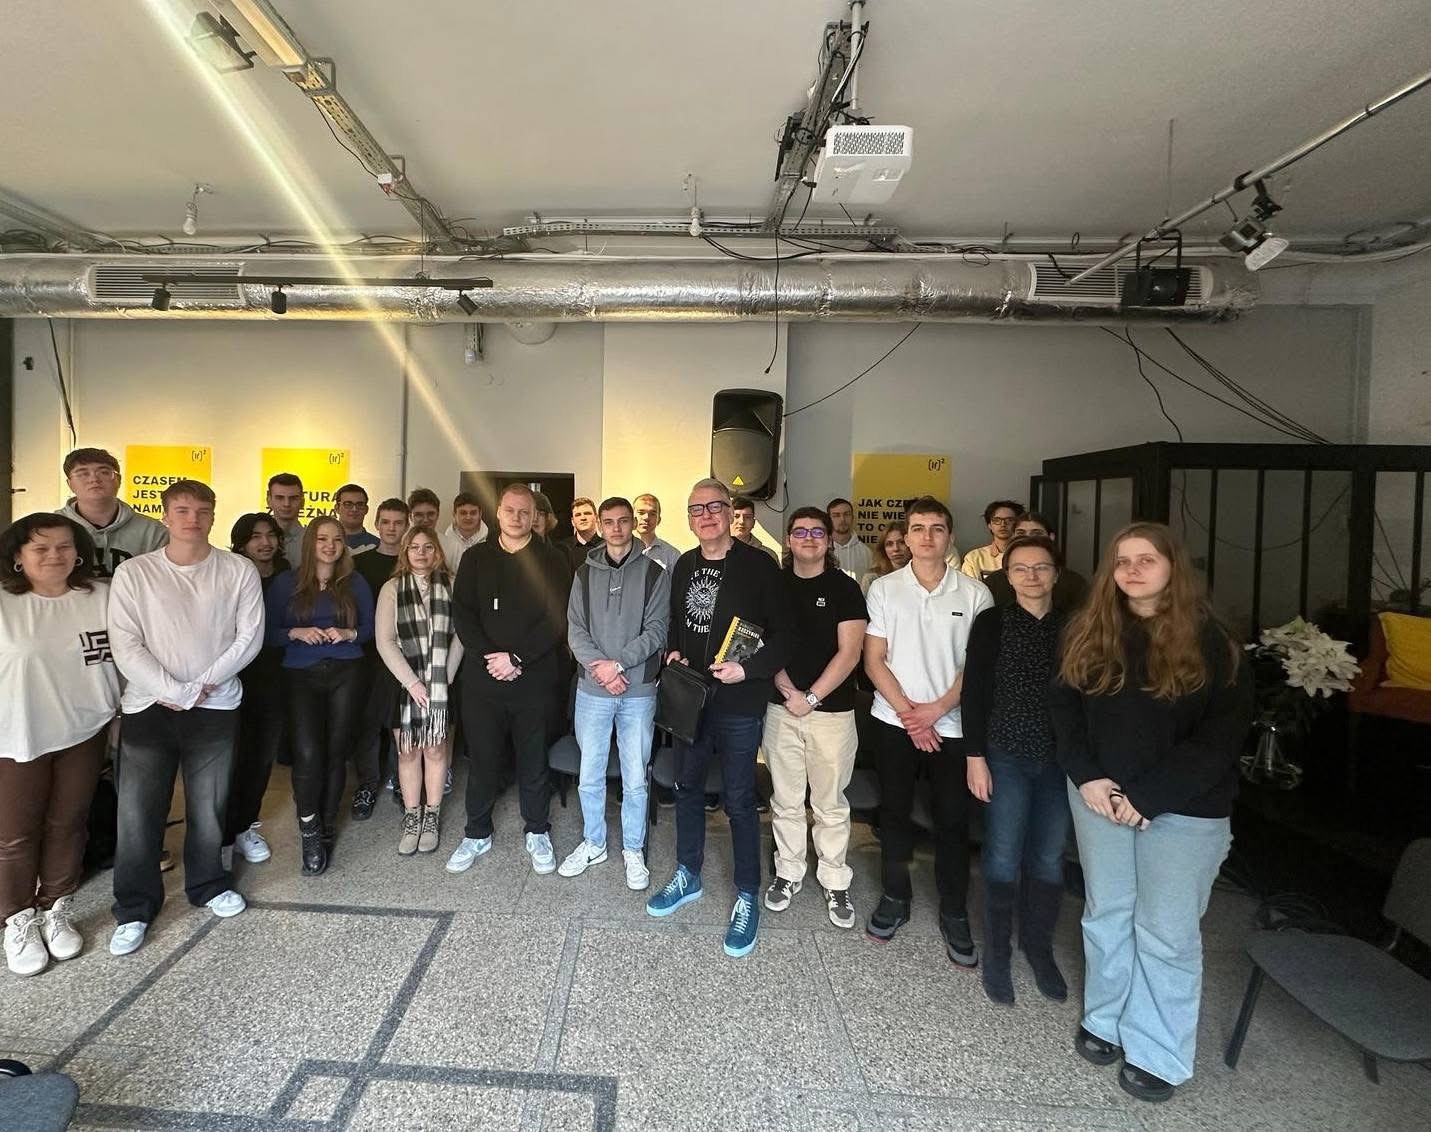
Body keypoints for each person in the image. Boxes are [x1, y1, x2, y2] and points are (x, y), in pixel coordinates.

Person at [1050, 522, 1251, 1104]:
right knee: (1108, 912)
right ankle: (1106, 1019)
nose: (1132, 570)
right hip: (1097, 796)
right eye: (1122, 561)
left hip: (1184, 809)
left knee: (1167, 931)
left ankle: (1159, 1050)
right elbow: (1064, 709)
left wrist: (1147, 797)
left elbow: (1219, 739)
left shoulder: (1215, 642)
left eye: (1146, 560)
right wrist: (1088, 777)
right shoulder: (1089, 630)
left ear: (1173, 567)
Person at [107, 480, 263, 956]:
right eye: (182, 510)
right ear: (165, 515)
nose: (192, 518)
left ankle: (209, 884)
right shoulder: (135, 573)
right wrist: (173, 690)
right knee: (138, 812)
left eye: (202, 510)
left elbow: (248, 637)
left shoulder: (237, 570)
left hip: (215, 705)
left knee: (209, 805)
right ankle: (134, 907)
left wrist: (200, 687)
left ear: (213, 515)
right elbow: (125, 643)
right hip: (148, 706)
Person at [646, 478, 793, 960]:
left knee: (739, 799)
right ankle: (687, 873)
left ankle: (748, 893)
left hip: (738, 702)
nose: (706, 515)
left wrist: (747, 670)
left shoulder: (759, 565)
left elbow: (783, 636)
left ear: (730, 512)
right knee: (687, 787)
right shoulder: (685, 564)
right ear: (689, 519)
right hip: (691, 700)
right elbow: (674, 620)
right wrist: (671, 650)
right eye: (697, 509)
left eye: (714, 507)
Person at [862, 495, 992, 965]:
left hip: (952, 724)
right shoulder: (885, 588)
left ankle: (954, 909)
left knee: (952, 820)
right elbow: (874, 660)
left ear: (950, 536)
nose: (926, 537)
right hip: (894, 721)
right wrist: (910, 715)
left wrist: (935, 710)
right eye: (917, 528)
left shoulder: (975, 594)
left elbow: (977, 667)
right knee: (893, 814)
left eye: (936, 528)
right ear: (907, 535)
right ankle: (895, 896)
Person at [1, 514, 119, 976]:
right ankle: (17, 918)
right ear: (18, 556)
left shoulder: (101, 597)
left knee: (68, 823)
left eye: (65, 547)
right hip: (19, 736)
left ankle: (55, 907)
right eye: (41, 548)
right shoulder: (6, 603)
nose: (55, 556)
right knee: (14, 834)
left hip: (84, 732)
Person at [961, 534, 1071, 1006]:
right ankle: (998, 953)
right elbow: (974, 692)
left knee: (1048, 856)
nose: (1031, 576)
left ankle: (1038, 946)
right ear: (1007, 576)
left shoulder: (1076, 627)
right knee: (1003, 855)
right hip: (1004, 753)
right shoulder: (993, 623)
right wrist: (974, 756)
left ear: (1056, 573)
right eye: (1020, 568)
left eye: (1040, 567)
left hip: (1061, 760)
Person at [447, 484, 569, 876]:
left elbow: (557, 617)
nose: (517, 518)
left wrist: (517, 658)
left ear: (535, 516)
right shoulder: (476, 557)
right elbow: (463, 614)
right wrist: (491, 657)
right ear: (497, 513)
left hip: (534, 679)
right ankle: (476, 832)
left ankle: (537, 830)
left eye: (525, 512)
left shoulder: (553, 559)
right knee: (483, 759)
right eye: (510, 510)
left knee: (533, 759)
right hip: (483, 680)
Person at [558, 497, 671, 890]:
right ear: (600, 526)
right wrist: (603, 670)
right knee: (589, 775)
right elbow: (575, 631)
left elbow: (657, 631)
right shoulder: (583, 574)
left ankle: (633, 849)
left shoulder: (655, 573)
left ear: (632, 524)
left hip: (637, 691)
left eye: (624, 521)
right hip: (593, 690)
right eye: (609, 522)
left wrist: (618, 665)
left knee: (635, 777)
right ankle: (594, 842)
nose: (617, 528)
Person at [763, 507, 867, 929]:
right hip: (781, 708)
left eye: (817, 532)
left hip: (832, 713)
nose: (809, 538)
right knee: (786, 799)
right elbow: (763, 644)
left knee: (830, 803)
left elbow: (850, 653)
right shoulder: (774, 585)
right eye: (800, 531)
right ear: (789, 540)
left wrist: (811, 697)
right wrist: (790, 692)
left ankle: (834, 878)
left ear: (828, 539)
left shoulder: (845, 587)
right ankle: (788, 872)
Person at [265, 517, 375, 876]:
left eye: (337, 539)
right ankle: (309, 827)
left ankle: (326, 825)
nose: (330, 546)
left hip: (347, 672)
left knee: (336, 751)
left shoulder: (355, 582)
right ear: (310, 542)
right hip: (300, 674)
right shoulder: (287, 582)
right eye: (323, 539)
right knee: (308, 754)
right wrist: (296, 632)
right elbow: (266, 632)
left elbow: (370, 628)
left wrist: (349, 633)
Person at [375, 526, 464, 857]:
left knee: (437, 750)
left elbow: (461, 634)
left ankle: (432, 816)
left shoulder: (452, 584)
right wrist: (412, 682)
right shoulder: (391, 588)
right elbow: (385, 641)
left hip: (441, 683)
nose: (421, 553)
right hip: (403, 684)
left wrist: (446, 676)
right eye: (414, 547)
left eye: (428, 547)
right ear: (405, 552)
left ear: (437, 551)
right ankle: (412, 817)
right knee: (408, 751)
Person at [221, 514, 290, 871]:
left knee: (260, 759)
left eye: (270, 535)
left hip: (274, 679)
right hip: (231, 676)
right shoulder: (228, 573)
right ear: (242, 543)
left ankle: (245, 826)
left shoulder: (288, 574)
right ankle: (220, 836)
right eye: (255, 537)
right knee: (229, 760)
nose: (265, 543)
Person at [354, 498, 409, 808]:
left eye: (398, 523)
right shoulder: (359, 564)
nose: (391, 528)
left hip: (404, 655)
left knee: (401, 722)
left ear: (406, 526)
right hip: (367, 655)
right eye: (386, 522)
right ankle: (368, 784)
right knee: (369, 722)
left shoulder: (414, 562)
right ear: (376, 524)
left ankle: (403, 781)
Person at [59, 447, 168, 577]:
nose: (94, 479)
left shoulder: (153, 532)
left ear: (119, 480)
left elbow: (161, 580)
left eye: (104, 472)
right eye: (82, 473)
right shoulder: (48, 529)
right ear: (70, 484)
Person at [983, 512, 1090, 613]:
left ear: (1051, 537)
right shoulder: (993, 582)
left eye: (1037, 533)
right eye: (1021, 533)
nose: (1028, 538)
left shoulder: (1075, 583)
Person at [961, 500, 1023, 582]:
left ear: (1018, 524)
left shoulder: (1027, 555)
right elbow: (968, 588)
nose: (1003, 524)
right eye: (997, 520)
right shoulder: (974, 558)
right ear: (989, 525)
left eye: (1009, 520)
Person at [440, 492, 488, 571]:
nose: (468, 517)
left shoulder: (491, 541)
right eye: (463, 513)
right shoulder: (444, 543)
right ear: (454, 514)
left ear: (480, 514)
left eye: (473, 513)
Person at [859, 520, 910, 595]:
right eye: (889, 544)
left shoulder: (922, 576)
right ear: (883, 549)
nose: (896, 548)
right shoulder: (872, 578)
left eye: (902, 542)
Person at [266, 473, 307, 566]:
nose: (287, 504)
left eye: (293, 498)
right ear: (269, 501)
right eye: (279, 498)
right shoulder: (255, 540)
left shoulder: (315, 540)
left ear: (302, 502)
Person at [826, 498, 872, 579]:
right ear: (828, 519)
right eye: (836, 515)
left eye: (847, 514)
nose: (842, 519)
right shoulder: (821, 550)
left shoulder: (866, 552)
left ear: (853, 517)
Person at [633, 493, 680, 573]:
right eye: (641, 513)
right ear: (632, 518)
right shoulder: (619, 552)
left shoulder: (672, 555)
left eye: (652, 514)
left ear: (658, 520)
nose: (646, 517)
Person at [559, 497, 603, 572]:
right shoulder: (562, 549)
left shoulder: (607, 547)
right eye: (578, 515)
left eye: (587, 513)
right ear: (573, 522)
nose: (583, 518)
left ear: (596, 518)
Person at [730, 495, 778, 560]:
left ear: (753, 523)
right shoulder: (716, 552)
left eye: (747, 517)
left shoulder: (768, 555)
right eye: (736, 516)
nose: (741, 521)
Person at [335, 484, 379, 552]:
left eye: (360, 504)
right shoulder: (324, 544)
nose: (354, 509)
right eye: (348, 504)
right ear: (337, 508)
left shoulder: (379, 546)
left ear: (366, 509)